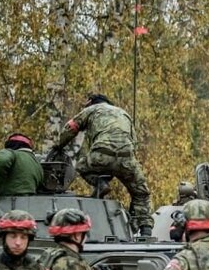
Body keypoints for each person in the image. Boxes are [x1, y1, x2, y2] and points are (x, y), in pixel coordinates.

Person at [54, 94, 153, 236]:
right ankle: (146, 230)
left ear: (90, 103)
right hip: (127, 158)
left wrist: (58, 146)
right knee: (141, 193)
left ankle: (100, 183)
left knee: (81, 166)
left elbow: (71, 127)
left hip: (101, 154)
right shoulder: (124, 113)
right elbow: (134, 142)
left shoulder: (91, 110)